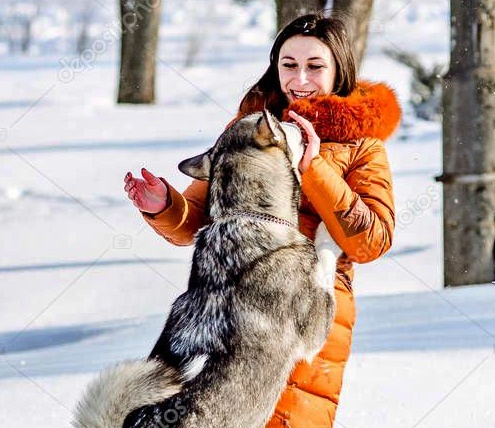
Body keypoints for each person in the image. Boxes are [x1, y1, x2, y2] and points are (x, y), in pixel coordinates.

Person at [123, 13, 401, 427]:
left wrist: (314, 169)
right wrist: (164, 205)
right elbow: (195, 222)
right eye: (289, 64)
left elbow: (371, 240)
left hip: (307, 308)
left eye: (315, 66)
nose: (300, 78)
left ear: (339, 69)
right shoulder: (250, 127)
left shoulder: (361, 145)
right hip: (230, 309)